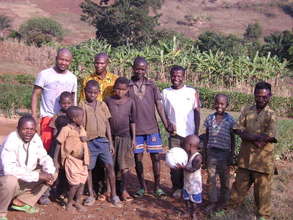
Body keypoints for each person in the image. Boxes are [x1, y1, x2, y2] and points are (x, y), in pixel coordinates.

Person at [229, 82, 277, 220]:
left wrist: (248, 136)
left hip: (262, 163)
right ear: (254, 95)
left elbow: (270, 137)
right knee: (237, 190)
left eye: (264, 97)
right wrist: (256, 137)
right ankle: (229, 213)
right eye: (258, 96)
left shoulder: (271, 114)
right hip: (245, 160)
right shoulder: (247, 110)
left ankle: (263, 217)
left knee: (262, 194)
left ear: (270, 96)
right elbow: (237, 129)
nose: (261, 99)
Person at [128, 56, 172, 198]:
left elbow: (159, 105)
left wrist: (166, 124)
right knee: (138, 159)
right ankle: (142, 187)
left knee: (156, 158)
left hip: (152, 128)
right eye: (137, 68)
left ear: (146, 69)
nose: (140, 71)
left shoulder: (152, 85)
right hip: (136, 130)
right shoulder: (127, 86)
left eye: (143, 69)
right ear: (133, 68)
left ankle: (157, 187)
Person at [0, 115, 56, 220]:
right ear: (18, 129)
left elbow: (44, 157)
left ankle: (21, 202)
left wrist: (49, 172)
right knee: (10, 180)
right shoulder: (11, 140)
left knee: (52, 173)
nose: (29, 132)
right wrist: (38, 175)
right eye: (25, 129)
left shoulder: (35, 139)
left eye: (31, 129)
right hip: (5, 183)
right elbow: (9, 169)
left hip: (24, 179)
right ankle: (1, 212)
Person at [79, 80, 121, 207]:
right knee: (89, 169)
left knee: (109, 166)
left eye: (95, 92)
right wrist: (83, 138)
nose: (92, 95)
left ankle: (114, 195)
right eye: (89, 92)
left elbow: (107, 124)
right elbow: (80, 123)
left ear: (98, 93)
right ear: (85, 92)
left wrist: (110, 143)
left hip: (103, 141)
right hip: (89, 142)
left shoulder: (102, 105)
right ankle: (91, 195)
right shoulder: (82, 105)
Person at [162, 65, 200, 198]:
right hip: (175, 134)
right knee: (175, 162)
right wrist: (167, 125)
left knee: (190, 162)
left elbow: (197, 112)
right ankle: (177, 187)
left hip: (190, 135)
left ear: (184, 77)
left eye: (179, 76)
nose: (176, 78)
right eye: (174, 75)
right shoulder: (165, 92)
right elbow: (163, 112)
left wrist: (196, 131)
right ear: (170, 75)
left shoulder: (191, 92)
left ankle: (189, 188)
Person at [31, 48, 77, 153]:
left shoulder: (72, 78)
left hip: (65, 119)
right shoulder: (44, 74)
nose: (63, 62)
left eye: (67, 60)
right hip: (48, 117)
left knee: (62, 149)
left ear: (70, 61)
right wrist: (35, 116)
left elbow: (73, 100)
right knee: (45, 148)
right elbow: (35, 95)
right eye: (61, 59)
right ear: (56, 59)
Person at [105, 77, 136, 201]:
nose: (120, 92)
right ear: (114, 88)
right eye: (118, 89)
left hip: (125, 137)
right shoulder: (108, 101)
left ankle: (124, 190)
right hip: (110, 137)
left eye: (123, 90)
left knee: (124, 166)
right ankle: (107, 190)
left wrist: (133, 139)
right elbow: (106, 120)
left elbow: (133, 121)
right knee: (109, 165)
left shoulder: (130, 102)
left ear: (127, 90)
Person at [203, 94, 235, 213]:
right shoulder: (209, 118)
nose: (219, 106)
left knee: (224, 179)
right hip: (211, 153)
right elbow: (206, 137)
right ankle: (213, 202)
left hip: (225, 154)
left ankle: (224, 202)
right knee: (211, 179)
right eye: (217, 103)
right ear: (214, 103)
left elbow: (232, 139)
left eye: (222, 104)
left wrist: (231, 155)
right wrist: (205, 154)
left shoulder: (230, 120)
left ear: (227, 105)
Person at [54, 106, 89, 212]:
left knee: (82, 182)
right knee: (74, 184)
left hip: (83, 161)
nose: (83, 118)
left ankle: (77, 202)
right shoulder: (66, 129)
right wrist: (56, 160)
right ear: (74, 119)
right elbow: (58, 144)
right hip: (71, 159)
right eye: (81, 117)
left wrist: (84, 138)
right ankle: (69, 203)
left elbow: (84, 140)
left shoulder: (81, 128)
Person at [180, 135, 202, 220]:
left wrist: (183, 167)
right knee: (186, 198)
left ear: (190, 145)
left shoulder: (198, 157)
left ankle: (194, 213)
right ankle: (187, 211)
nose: (183, 146)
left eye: (185, 144)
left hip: (195, 184)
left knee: (194, 201)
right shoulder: (187, 155)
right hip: (187, 182)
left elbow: (193, 169)